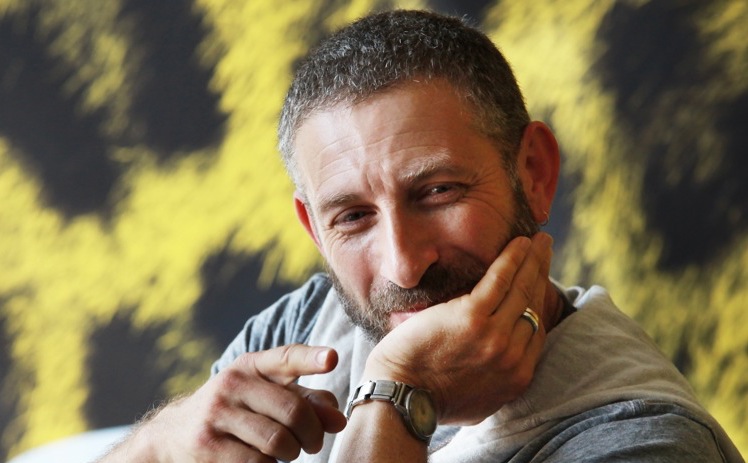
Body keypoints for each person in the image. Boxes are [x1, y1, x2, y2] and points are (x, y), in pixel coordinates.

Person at [99, 9, 743, 463]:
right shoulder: (311, 328)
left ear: (534, 173)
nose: (403, 266)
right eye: (353, 217)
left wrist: (401, 392)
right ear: (314, 229)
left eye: (437, 192)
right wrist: (162, 442)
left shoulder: (645, 442)